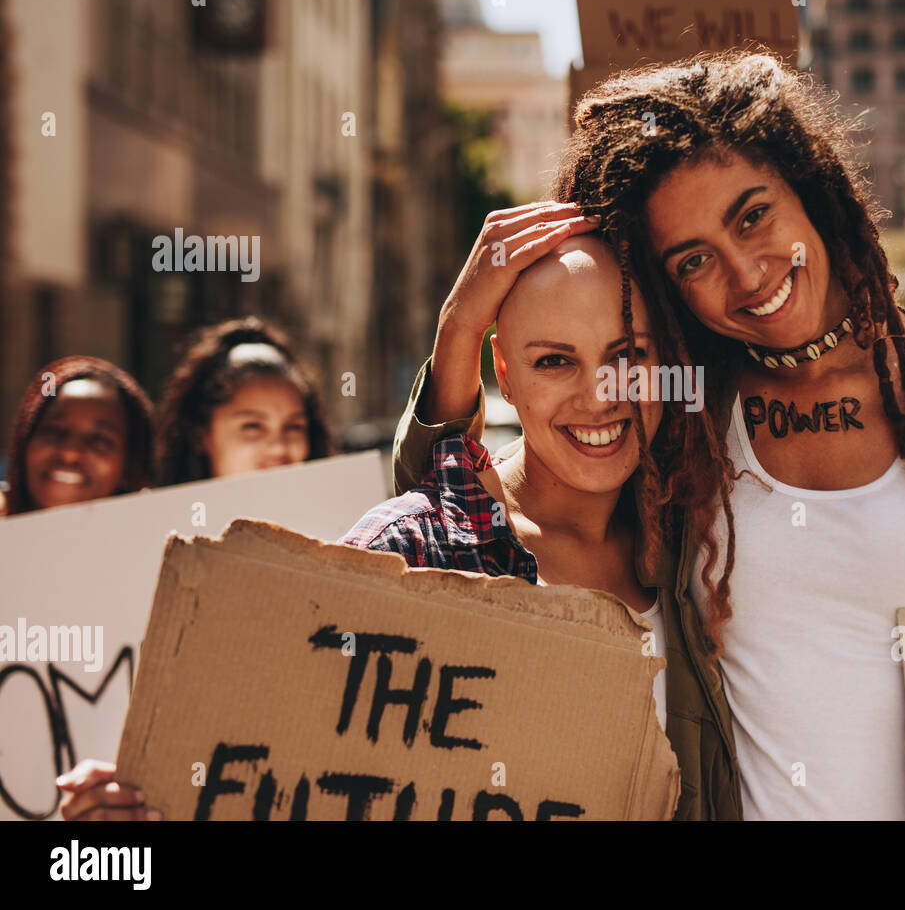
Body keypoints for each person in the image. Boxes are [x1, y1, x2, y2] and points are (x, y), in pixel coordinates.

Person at [396, 52, 905, 820]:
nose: (747, 273)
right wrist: (460, 329)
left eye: (753, 215)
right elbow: (456, 519)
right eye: (694, 260)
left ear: (810, 186)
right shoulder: (683, 405)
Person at [56, 232, 742, 821]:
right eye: (554, 360)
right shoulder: (413, 551)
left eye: (629, 355)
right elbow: (281, 776)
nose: (600, 395)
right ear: (502, 368)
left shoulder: (704, 546)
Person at [154, 317, 331, 485]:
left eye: (294, 427)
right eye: (253, 426)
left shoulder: (341, 515)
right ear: (200, 435)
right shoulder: (153, 515)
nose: (278, 449)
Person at [1, 356, 152, 516]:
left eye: (98, 440)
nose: (69, 454)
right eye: (54, 431)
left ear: (128, 466)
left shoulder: (158, 534)